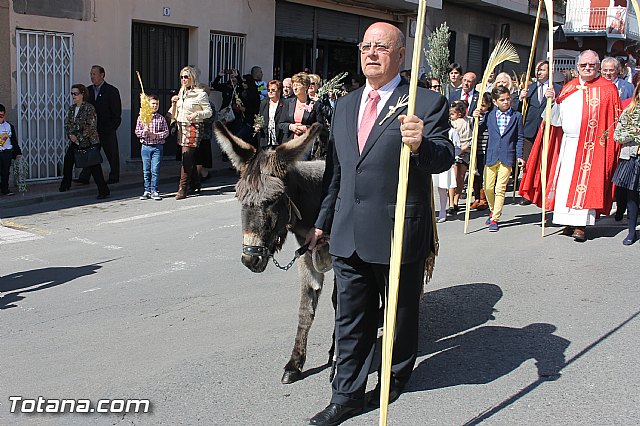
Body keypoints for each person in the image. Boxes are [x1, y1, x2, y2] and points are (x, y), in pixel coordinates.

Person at [306, 22, 454, 426]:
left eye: (382, 47)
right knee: (350, 318)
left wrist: (423, 143)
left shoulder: (424, 103)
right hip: (348, 232)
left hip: (397, 231)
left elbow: (444, 157)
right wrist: (322, 222)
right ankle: (346, 395)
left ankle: (395, 376)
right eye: (366, 46)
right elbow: (337, 172)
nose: (372, 53)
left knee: (399, 315)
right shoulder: (346, 105)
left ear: (401, 56)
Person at [519, 50, 622, 242]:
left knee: (585, 186)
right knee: (565, 183)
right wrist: (552, 101)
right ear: (577, 67)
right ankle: (566, 221)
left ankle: (580, 225)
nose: (587, 68)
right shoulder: (569, 87)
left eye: (591, 65)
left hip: (592, 148)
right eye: (583, 65)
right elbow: (555, 119)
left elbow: (612, 122)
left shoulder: (608, 89)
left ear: (598, 66)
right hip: (567, 144)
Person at [477, 86, 524, 232]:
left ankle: (495, 218)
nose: (506, 102)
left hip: (507, 155)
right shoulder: (490, 115)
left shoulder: (516, 116)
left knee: (500, 188)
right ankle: (493, 209)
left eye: (508, 99)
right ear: (496, 101)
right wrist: (477, 117)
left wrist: (519, 156)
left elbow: (519, 138)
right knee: (488, 187)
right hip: (491, 155)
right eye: (502, 100)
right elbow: (479, 129)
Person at [518, 60, 562, 205]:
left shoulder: (557, 88)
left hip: (546, 131)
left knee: (542, 162)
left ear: (550, 71)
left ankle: (540, 189)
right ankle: (526, 192)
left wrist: (555, 98)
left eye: (543, 69)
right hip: (529, 130)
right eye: (538, 69)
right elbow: (519, 109)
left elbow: (561, 109)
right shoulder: (529, 88)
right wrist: (521, 98)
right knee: (527, 163)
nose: (539, 72)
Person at [167, 66, 213, 200]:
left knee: (186, 156)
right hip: (182, 127)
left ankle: (183, 188)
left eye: (186, 77)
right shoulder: (181, 92)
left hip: (194, 126)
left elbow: (208, 112)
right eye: (181, 77)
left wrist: (196, 114)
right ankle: (195, 182)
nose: (183, 79)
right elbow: (175, 111)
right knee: (187, 156)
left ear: (193, 77)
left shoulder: (200, 93)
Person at [60, 84, 110, 199]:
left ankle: (103, 190)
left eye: (76, 93)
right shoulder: (72, 109)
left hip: (89, 141)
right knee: (68, 161)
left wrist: (79, 137)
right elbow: (67, 124)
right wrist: (71, 135)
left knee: (94, 166)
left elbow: (91, 126)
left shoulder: (89, 108)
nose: (73, 96)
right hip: (75, 141)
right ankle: (65, 184)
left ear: (82, 94)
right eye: (72, 93)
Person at [77, 65, 122, 184]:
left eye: (94, 74)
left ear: (102, 75)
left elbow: (116, 112)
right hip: (92, 130)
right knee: (90, 153)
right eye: (91, 74)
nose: (92, 77)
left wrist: (112, 127)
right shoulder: (88, 91)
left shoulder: (111, 91)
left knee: (112, 153)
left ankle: (114, 176)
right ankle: (84, 177)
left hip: (107, 128)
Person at [612, 83, 640, 245]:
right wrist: (634, 133)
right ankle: (631, 232)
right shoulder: (629, 111)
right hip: (633, 158)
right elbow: (618, 135)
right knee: (632, 197)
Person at [134, 94, 169, 200]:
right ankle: (147, 190)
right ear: (148, 104)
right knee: (146, 170)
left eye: (157, 104)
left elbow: (166, 132)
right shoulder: (142, 118)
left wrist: (156, 136)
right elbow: (137, 131)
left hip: (157, 147)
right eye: (153, 103)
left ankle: (154, 190)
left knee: (155, 169)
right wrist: (144, 132)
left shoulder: (161, 119)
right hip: (145, 147)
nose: (155, 106)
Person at [278, 72, 324, 144]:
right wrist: (291, 126)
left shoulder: (315, 104)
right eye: (294, 85)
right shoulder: (288, 103)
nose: (295, 88)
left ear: (305, 87)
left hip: (306, 143)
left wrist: (306, 128)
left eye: (298, 85)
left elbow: (320, 126)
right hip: (289, 143)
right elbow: (281, 123)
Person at [469, 92, 493, 211]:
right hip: (476, 149)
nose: (481, 108)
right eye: (480, 105)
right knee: (475, 174)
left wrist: (481, 118)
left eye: (483, 105)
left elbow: (484, 127)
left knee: (484, 175)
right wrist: (474, 118)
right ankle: (477, 198)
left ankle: (484, 199)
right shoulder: (475, 115)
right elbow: (472, 129)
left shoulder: (490, 115)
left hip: (486, 149)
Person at [449, 100, 473, 213]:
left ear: (459, 114)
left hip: (459, 151)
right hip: (464, 150)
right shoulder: (469, 121)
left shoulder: (455, 124)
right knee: (460, 178)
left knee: (455, 178)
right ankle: (455, 200)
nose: (451, 116)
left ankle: (453, 202)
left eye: (452, 114)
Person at [255, 79, 285, 148]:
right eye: (268, 90)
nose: (270, 92)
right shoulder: (264, 104)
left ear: (279, 91)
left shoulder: (285, 104)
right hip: (265, 139)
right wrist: (257, 125)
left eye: (273, 90)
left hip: (279, 139)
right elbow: (259, 118)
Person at [0, 104, 22, 196]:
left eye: (1, 115)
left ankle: (5, 189)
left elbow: (14, 140)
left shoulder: (9, 126)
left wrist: (18, 152)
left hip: (6, 152)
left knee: (6, 172)